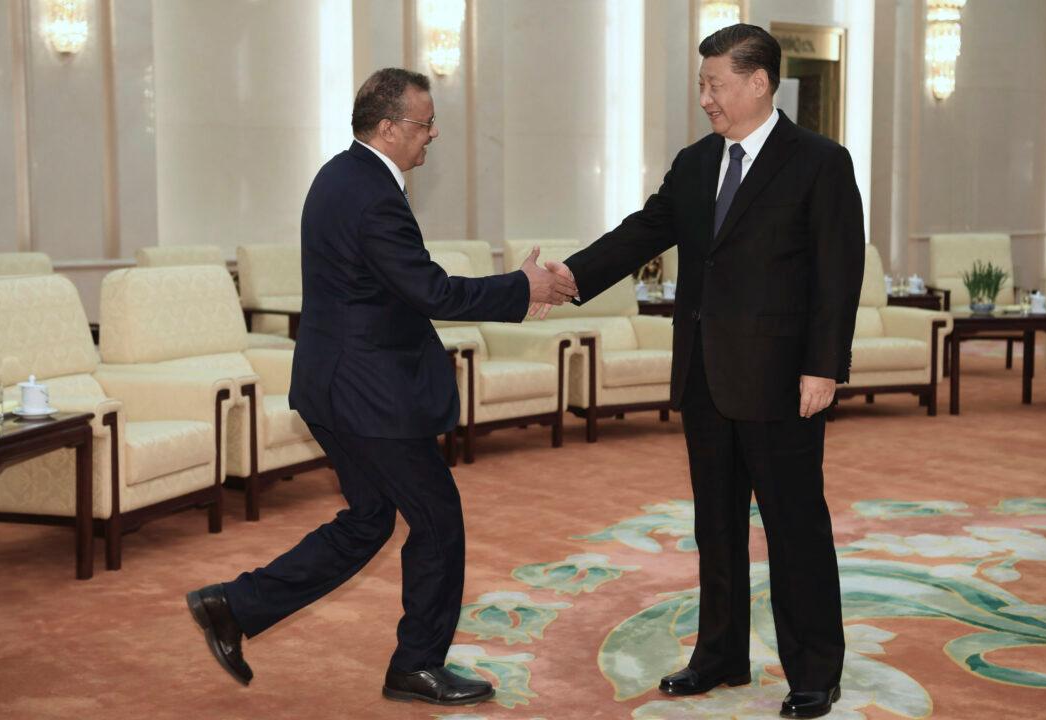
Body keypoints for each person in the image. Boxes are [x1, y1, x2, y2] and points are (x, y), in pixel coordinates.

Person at [185, 67, 577, 707]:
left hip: (339, 387)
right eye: (424, 124)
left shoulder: (344, 175)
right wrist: (520, 287)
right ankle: (417, 665)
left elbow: (393, 291)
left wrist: (514, 288)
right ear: (390, 127)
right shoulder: (372, 195)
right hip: (368, 395)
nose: (433, 135)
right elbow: (430, 290)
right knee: (439, 522)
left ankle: (235, 605)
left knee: (369, 519)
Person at [543, 24, 864, 719]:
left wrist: (825, 366)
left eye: (714, 83)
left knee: (794, 528)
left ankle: (815, 669)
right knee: (715, 527)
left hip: (783, 381)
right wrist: (571, 276)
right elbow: (644, 229)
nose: (705, 98)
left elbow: (840, 272)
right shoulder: (694, 163)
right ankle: (720, 654)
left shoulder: (819, 161)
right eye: (702, 84)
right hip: (705, 378)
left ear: (757, 82)